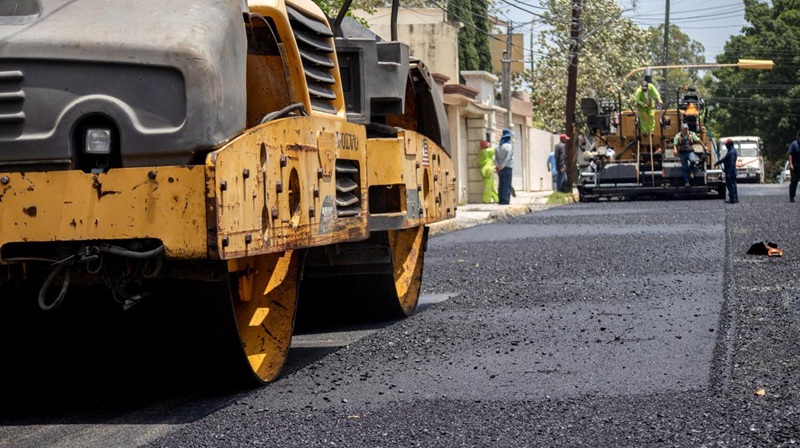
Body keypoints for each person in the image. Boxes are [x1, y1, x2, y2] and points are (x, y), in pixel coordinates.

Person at [715, 138, 738, 203]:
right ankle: (734, 198)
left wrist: (729, 172)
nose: (725, 145)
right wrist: (717, 163)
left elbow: (732, 163)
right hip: (731, 171)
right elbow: (724, 159)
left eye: (726, 144)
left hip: (730, 171)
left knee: (731, 185)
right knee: (732, 184)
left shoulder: (731, 152)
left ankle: (733, 198)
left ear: (729, 144)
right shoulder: (731, 151)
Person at [494, 129, 514, 205]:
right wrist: (502, 166)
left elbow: (495, 158)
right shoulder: (509, 146)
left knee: (501, 184)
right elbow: (508, 157)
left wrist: (497, 166)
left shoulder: (497, 147)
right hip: (507, 167)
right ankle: (505, 200)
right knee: (507, 184)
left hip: (499, 169)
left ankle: (500, 199)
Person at [787, 131, 800, 202]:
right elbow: (790, 154)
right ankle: (792, 197)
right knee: (794, 182)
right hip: (795, 166)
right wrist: (790, 164)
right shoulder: (794, 144)